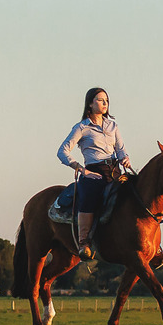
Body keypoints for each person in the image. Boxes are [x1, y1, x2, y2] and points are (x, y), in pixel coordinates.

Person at [57, 87, 132, 260]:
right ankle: (84, 242)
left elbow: (120, 149)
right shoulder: (82, 127)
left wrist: (125, 158)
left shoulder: (113, 125)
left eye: (106, 100)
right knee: (89, 195)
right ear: (90, 104)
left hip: (115, 171)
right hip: (94, 172)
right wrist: (81, 169)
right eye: (100, 100)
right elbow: (62, 151)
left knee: (137, 193)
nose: (105, 103)